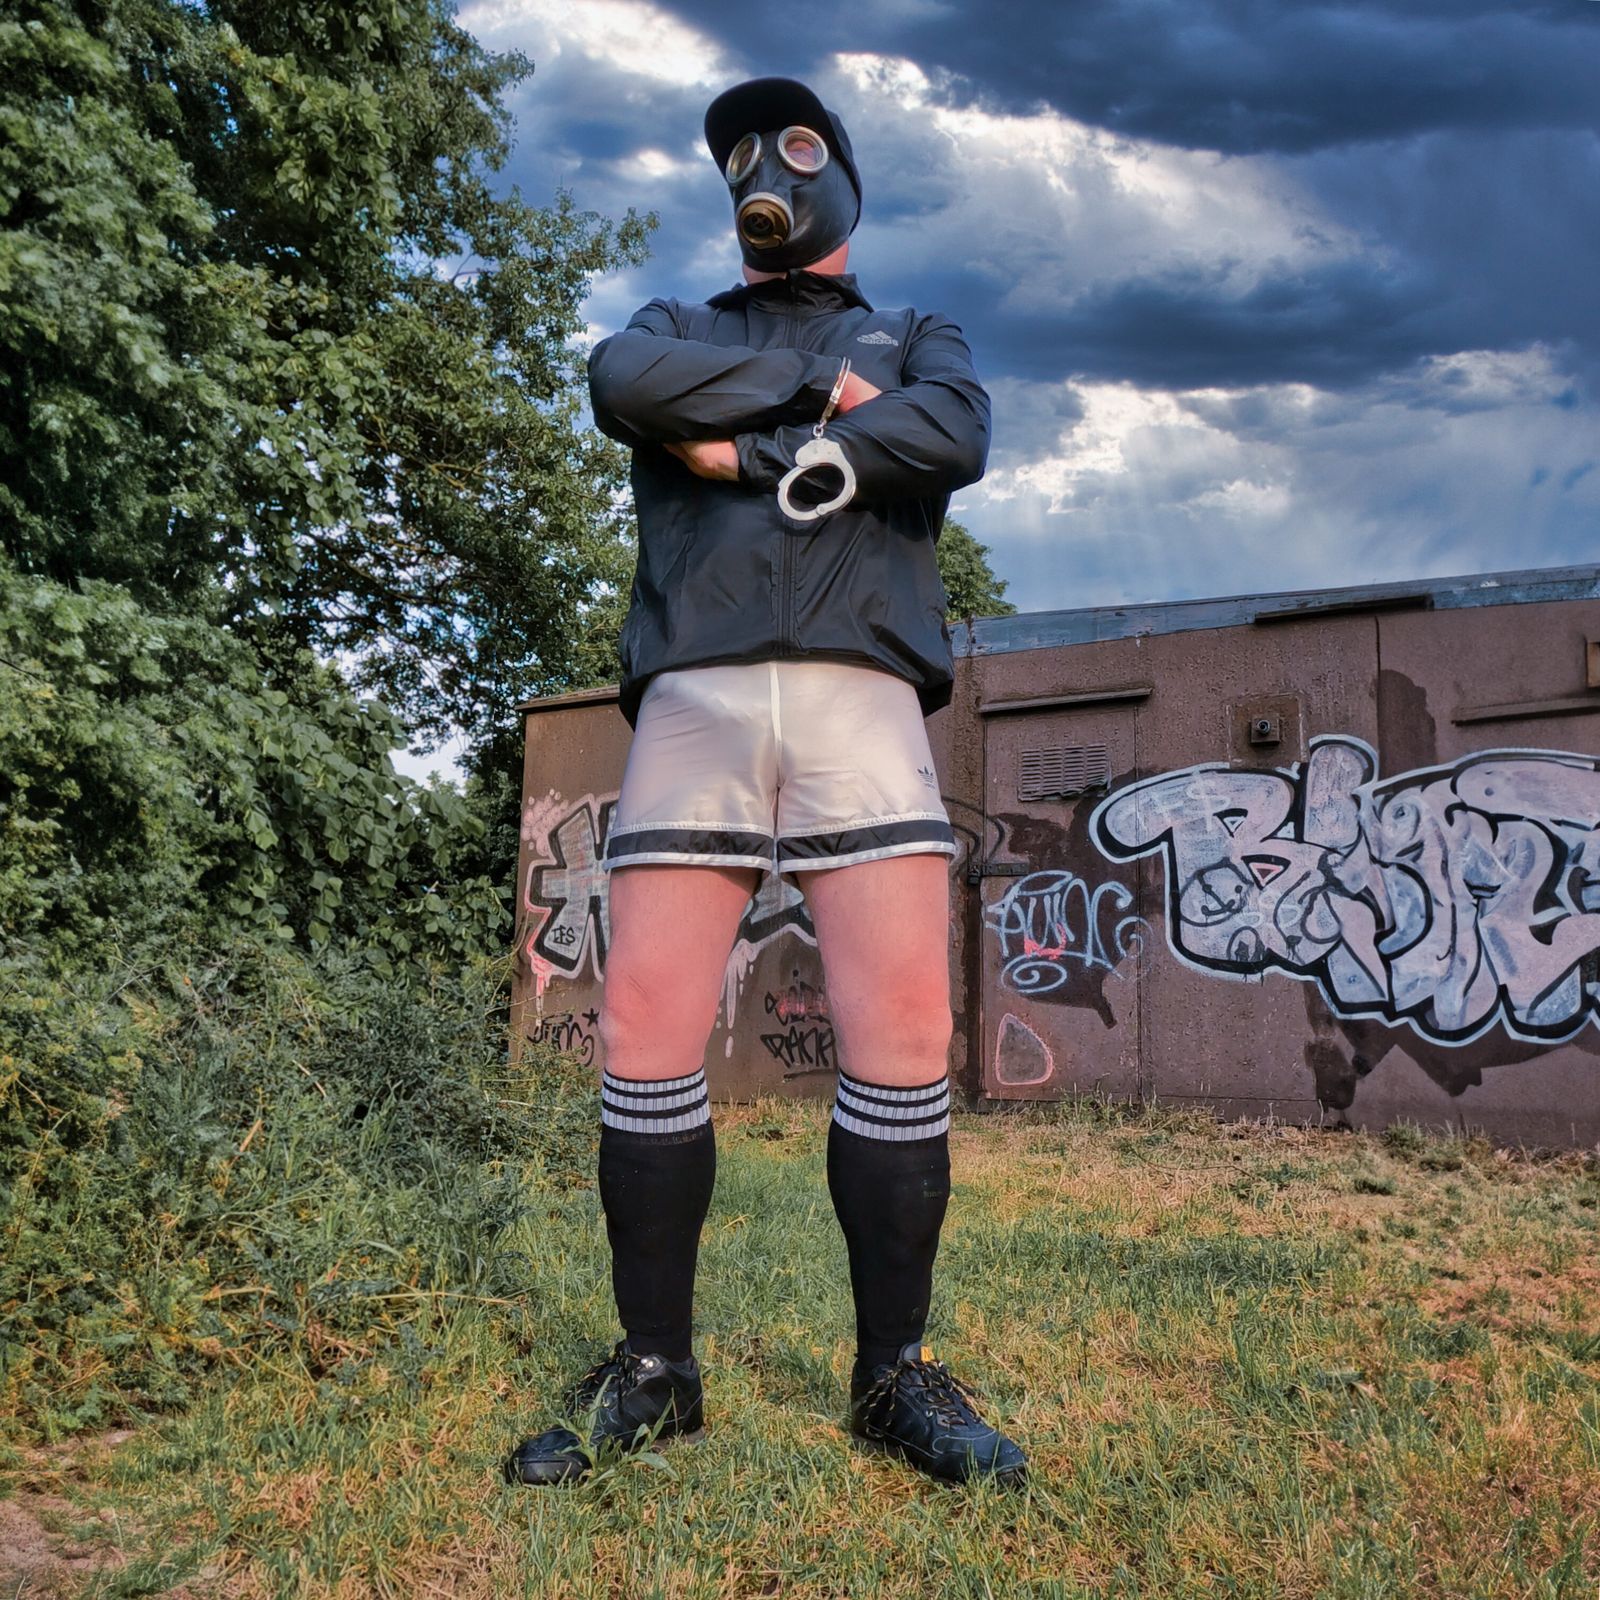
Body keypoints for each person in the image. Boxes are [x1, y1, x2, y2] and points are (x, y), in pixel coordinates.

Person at [504, 76, 1026, 1489]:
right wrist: (826, 401)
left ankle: (894, 1373)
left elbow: (955, 433)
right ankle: (656, 1370)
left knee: (902, 1033)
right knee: (646, 1028)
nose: (763, 171)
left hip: (863, 695)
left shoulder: (917, 332)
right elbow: (623, 384)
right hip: (698, 693)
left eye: (794, 145)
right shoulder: (680, 326)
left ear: (842, 172)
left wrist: (740, 452)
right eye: (740, 152)